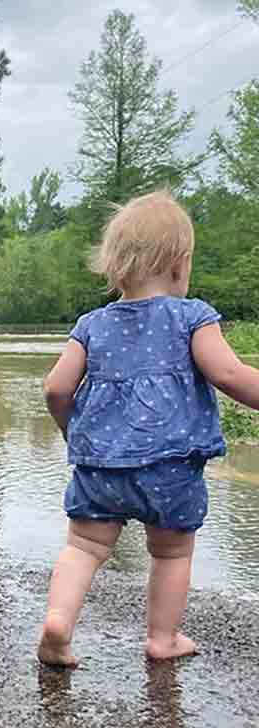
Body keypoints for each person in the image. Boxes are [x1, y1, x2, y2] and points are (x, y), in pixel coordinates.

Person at [37, 190, 259, 667]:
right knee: (171, 555)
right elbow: (228, 374)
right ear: (180, 265)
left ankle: (58, 621)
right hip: (172, 470)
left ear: (114, 267)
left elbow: (56, 388)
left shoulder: (91, 325)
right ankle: (162, 639)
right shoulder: (193, 317)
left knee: (84, 546)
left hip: (102, 468)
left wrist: (72, 430)